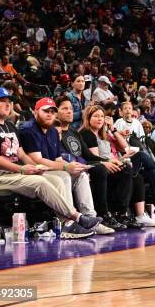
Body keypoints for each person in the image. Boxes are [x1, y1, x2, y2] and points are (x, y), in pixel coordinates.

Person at [0, 87, 101, 239]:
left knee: (57, 179)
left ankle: (66, 225)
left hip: (12, 173)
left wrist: (34, 167)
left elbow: (21, 153)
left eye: (9, 102)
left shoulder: (10, 125)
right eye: (3, 101)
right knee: (40, 182)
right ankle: (77, 218)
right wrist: (22, 170)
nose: (8, 105)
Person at [18, 97, 115, 235]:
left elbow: (58, 159)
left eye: (52, 111)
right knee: (64, 176)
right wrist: (65, 168)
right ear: (35, 112)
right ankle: (69, 223)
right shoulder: (28, 129)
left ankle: (90, 220)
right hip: (35, 171)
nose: (50, 114)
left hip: (50, 170)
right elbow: (37, 160)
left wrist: (72, 166)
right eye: (46, 111)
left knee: (80, 174)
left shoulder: (52, 131)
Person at [55, 95, 126, 231]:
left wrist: (106, 161)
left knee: (122, 168)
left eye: (71, 108)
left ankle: (117, 214)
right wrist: (102, 164)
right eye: (65, 108)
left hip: (81, 165)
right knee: (98, 169)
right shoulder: (54, 132)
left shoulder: (74, 133)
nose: (70, 111)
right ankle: (100, 215)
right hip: (66, 168)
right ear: (56, 111)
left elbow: (87, 155)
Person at [79, 105, 155, 228]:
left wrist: (113, 130)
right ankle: (119, 213)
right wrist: (116, 160)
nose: (100, 119)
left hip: (109, 164)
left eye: (102, 116)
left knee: (137, 177)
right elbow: (93, 158)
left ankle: (136, 214)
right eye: (95, 116)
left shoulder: (103, 134)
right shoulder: (87, 134)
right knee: (131, 167)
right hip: (97, 168)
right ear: (88, 119)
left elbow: (125, 147)